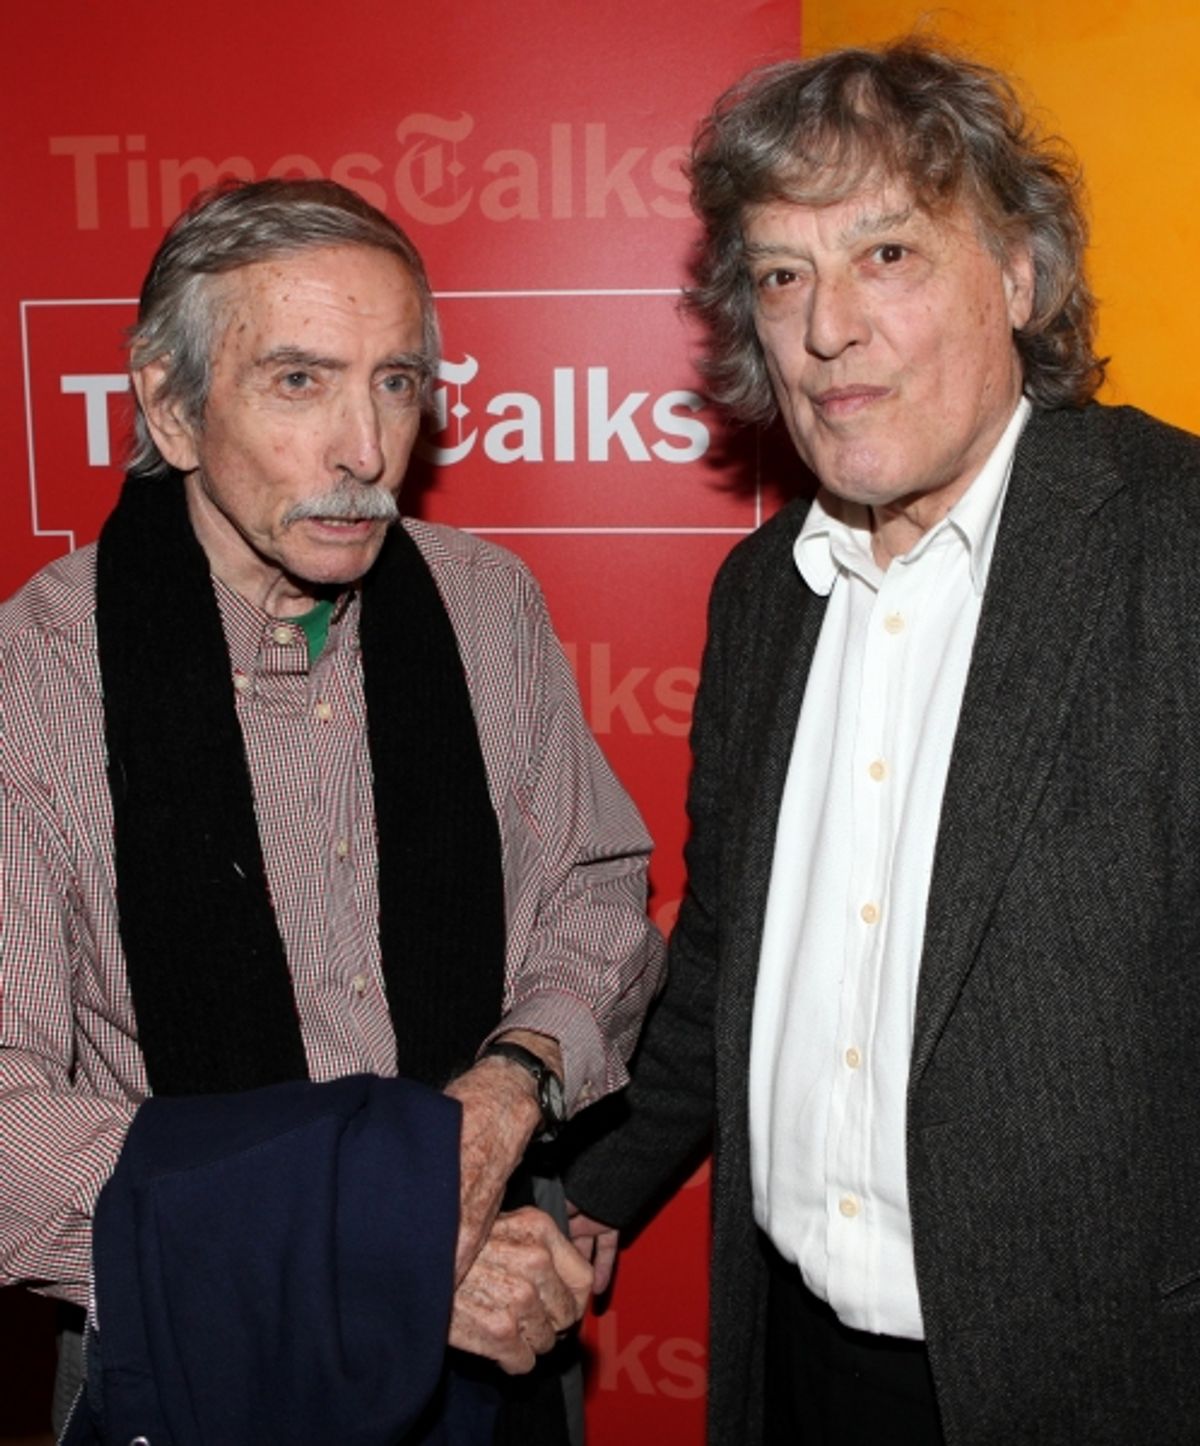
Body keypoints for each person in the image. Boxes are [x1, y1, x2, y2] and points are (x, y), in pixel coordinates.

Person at [564, 37, 1200, 1446]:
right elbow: (726, 953)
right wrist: (585, 1199)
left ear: (1020, 276)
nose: (824, 328)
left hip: (1092, 1385)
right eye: (782, 274)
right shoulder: (763, 595)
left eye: (887, 255)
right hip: (792, 1365)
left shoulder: (1174, 544)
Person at [0, 178, 664, 1442]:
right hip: (195, 1358)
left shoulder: (483, 602)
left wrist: (513, 1086)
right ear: (170, 406)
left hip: (501, 1351)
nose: (365, 447)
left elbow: (595, 893)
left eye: (398, 382)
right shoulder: (33, 676)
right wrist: (386, 1242)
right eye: (299, 381)